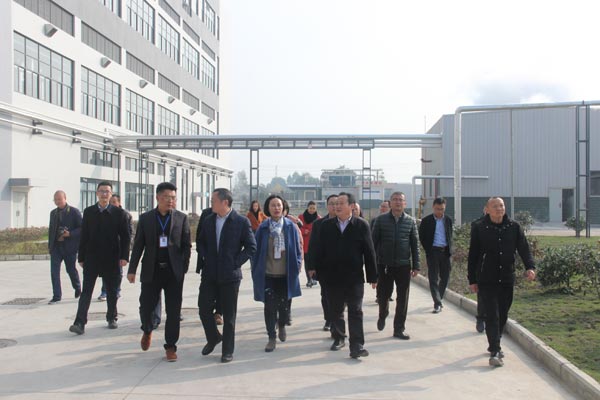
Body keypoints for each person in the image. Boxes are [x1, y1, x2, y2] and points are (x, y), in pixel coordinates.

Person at [468, 197, 536, 367]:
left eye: (501, 205)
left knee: (503, 314)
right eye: (495, 206)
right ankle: (495, 350)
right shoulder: (479, 227)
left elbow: (524, 248)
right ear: (487, 209)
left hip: (506, 277)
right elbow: (473, 255)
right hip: (486, 278)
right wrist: (472, 279)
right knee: (492, 314)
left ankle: (495, 341)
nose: (499, 208)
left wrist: (530, 267)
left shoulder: (514, 227)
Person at [127, 182, 191, 362]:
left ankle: (170, 346)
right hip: (152, 270)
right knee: (146, 306)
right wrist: (132, 270)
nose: (170, 201)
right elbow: (138, 245)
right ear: (157, 198)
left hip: (173, 272)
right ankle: (147, 330)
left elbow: (186, 245)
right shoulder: (146, 218)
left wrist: (183, 268)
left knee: (173, 311)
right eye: (166, 197)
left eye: (173, 198)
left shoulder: (181, 218)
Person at [313, 192, 377, 359]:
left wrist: (373, 276)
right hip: (332, 277)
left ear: (351, 206)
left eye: (341, 203)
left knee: (356, 311)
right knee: (336, 310)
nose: (337, 206)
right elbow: (318, 250)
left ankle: (357, 345)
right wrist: (315, 270)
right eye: (336, 203)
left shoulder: (361, 225)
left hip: (354, 277)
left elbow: (369, 251)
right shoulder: (326, 226)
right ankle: (339, 337)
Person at [197, 189, 256, 363]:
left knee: (229, 316)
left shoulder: (241, 222)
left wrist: (235, 262)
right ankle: (213, 337)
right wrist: (206, 256)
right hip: (210, 273)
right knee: (203, 308)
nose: (211, 203)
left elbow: (251, 247)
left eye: (213, 200)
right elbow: (200, 241)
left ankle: (227, 351)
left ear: (224, 202)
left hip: (230, 276)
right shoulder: (208, 220)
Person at [69, 182, 130, 334]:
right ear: (97, 193)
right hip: (92, 257)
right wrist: (81, 257)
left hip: (112, 258)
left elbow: (125, 237)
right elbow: (84, 236)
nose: (104, 194)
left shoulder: (119, 213)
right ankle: (79, 322)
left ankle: (112, 317)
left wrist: (124, 257)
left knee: (112, 291)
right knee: (86, 291)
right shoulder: (89, 212)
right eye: (101, 191)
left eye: (107, 192)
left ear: (111, 194)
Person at [251, 195, 303, 353]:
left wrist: (297, 265)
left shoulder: (290, 226)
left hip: (286, 275)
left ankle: (281, 325)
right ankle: (271, 337)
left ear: (283, 207)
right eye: (273, 205)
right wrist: (255, 269)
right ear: (268, 208)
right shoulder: (263, 228)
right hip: (268, 275)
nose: (276, 208)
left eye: (279, 205)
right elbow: (255, 251)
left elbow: (298, 249)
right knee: (269, 307)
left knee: (284, 307)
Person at [371, 192, 420, 340]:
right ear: (390, 203)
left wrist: (416, 265)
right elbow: (373, 244)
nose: (398, 202)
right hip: (384, 265)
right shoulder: (381, 220)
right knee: (383, 295)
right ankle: (383, 313)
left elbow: (415, 245)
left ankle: (399, 329)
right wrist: (372, 267)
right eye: (395, 200)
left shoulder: (410, 221)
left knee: (403, 298)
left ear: (405, 203)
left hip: (403, 265)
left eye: (400, 200)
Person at [307, 194, 338, 332]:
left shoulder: (346, 223)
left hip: (342, 267)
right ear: (327, 205)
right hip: (324, 266)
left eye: (337, 203)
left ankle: (336, 319)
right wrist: (311, 266)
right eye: (331, 203)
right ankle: (329, 319)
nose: (334, 206)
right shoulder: (318, 224)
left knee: (340, 296)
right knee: (325, 295)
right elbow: (312, 246)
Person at [418, 197, 453, 313]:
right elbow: (421, 236)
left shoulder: (448, 220)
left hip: (445, 252)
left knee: (445, 277)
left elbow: (450, 235)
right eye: (438, 209)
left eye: (442, 209)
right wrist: (428, 249)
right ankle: (437, 303)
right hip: (433, 252)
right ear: (433, 207)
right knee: (433, 278)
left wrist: (450, 249)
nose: (440, 211)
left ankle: (439, 297)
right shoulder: (426, 221)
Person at [48, 190, 82, 304]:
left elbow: (82, 228)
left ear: (65, 198)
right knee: (54, 272)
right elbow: (51, 230)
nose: (58, 201)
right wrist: (50, 246)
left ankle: (77, 287)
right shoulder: (53, 213)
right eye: (55, 200)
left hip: (69, 247)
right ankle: (56, 295)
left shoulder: (74, 212)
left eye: (59, 199)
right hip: (56, 247)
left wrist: (70, 234)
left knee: (70, 269)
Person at [97, 194, 132, 301]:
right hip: (107, 248)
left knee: (118, 272)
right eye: (110, 201)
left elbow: (129, 233)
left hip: (119, 248)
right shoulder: (104, 213)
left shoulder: (125, 215)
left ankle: (117, 290)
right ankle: (104, 291)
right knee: (105, 270)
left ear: (119, 203)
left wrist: (125, 252)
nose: (111, 204)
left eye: (113, 202)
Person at [298, 201, 320, 287]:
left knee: (315, 262)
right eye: (310, 208)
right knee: (307, 263)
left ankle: (314, 278)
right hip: (305, 244)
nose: (312, 210)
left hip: (315, 244)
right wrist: (304, 231)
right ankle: (309, 279)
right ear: (307, 208)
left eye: (314, 208)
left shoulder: (318, 218)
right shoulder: (301, 217)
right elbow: (297, 228)